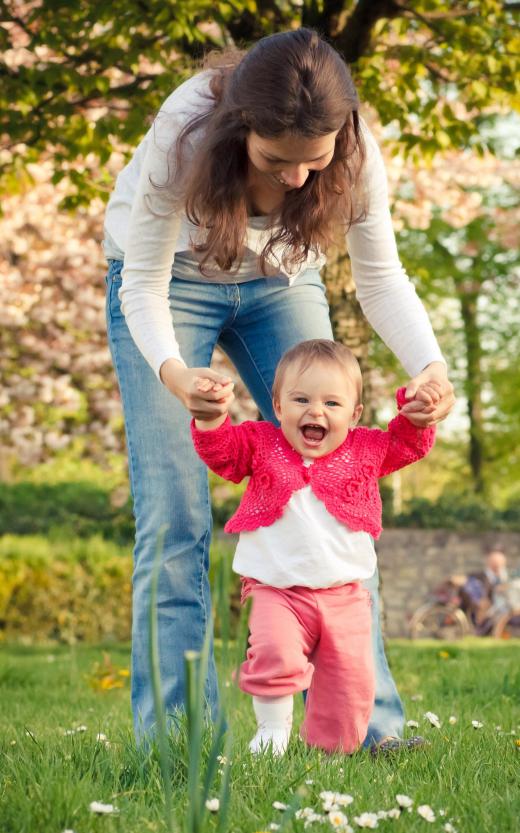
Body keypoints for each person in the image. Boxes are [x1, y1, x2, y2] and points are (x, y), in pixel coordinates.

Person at [103, 27, 455, 744]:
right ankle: (179, 740)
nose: (297, 179)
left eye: (312, 162)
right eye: (274, 160)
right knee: (175, 520)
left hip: (279, 284)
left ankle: (370, 729)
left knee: (340, 487)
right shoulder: (185, 130)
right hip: (169, 285)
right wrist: (174, 375)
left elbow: (382, 276)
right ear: (240, 129)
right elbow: (140, 281)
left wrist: (431, 364)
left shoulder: (354, 149)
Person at [191, 339, 436, 754]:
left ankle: (329, 756)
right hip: (277, 590)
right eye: (301, 399)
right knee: (273, 652)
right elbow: (223, 454)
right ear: (279, 406)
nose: (315, 411)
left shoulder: (365, 449)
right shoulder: (261, 443)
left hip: (345, 596)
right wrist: (212, 420)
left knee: (350, 681)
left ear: (354, 414)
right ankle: (272, 731)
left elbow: (407, 444)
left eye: (332, 404)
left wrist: (417, 413)